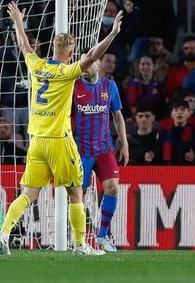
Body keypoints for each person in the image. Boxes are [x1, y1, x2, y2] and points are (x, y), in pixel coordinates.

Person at [0, 2, 124, 257]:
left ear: (53, 49)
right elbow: (94, 56)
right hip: (59, 141)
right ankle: (80, 245)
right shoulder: (67, 72)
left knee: (28, 194)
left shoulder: (37, 66)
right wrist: (113, 33)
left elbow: (24, 46)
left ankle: (4, 234)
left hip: (36, 141)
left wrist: (19, 21)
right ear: (71, 52)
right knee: (76, 192)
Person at [72, 59, 129, 252]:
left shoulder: (109, 86)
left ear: (98, 65)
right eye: (83, 63)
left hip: (104, 149)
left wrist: (124, 144)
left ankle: (103, 235)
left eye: (90, 63)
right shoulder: (73, 87)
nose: (85, 67)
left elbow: (118, 116)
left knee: (112, 188)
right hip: (81, 151)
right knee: (80, 195)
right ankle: (79, 240)